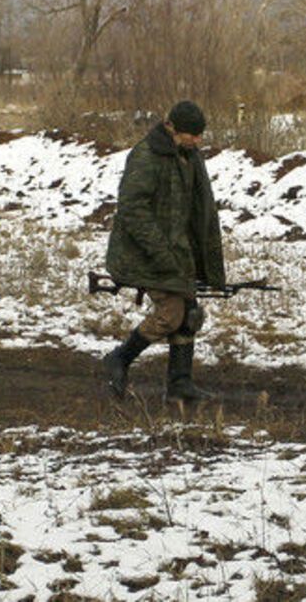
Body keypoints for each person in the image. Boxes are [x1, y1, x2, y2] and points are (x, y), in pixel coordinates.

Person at [101, 100, 226, 401]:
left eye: (200, 135)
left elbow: (198, 209)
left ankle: (180, 384)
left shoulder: (189, 156)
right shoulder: (145, 156)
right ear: (173, 129)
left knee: (189, 315)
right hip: (143, 254)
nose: (198, 141)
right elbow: (133, 212)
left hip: (178, 252)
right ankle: (119, 358)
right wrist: (162, 254)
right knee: (171, 314)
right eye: (192, 135)